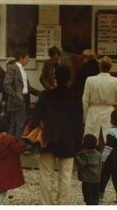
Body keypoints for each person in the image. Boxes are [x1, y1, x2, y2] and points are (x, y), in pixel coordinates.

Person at [31, 65, 84, 205]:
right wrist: (78, 143)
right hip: (68, 140)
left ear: (55, 79)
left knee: (46, 174)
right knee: (65, 175)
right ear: (69, 79)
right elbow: (79, 123)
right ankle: (63, 203)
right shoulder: (76, 97)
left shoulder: (45, 95)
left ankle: (46, 203)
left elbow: (35, 118)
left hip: (47, 139)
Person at [82, 56, 117, 144]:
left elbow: (85, 100)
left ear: (99, 66)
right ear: (110, 67)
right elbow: (116, 96)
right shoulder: (116, 81)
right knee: (108, 139)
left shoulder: (90, 80)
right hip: (108, 111)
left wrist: (84, 118)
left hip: (93, 111)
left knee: (91, 140)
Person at [3, 49, 39, 140]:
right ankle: (17, 145)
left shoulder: (21, 69)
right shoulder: (13, 67)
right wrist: (15, 96)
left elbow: (26, 87)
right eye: (27, 58)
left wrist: (38, 93)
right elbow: (6, 84)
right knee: (20, 125)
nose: (28, 60)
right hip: (18, 99)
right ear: (21, 58)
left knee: (15, 124)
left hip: (23, 98)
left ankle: (10, 145)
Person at [75, 134, 103, 205]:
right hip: (97, 179)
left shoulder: (85, 155)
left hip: (87, 180)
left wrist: (76, 156)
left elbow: (81, 164)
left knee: (88, 197)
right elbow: (101, 165)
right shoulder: (99, 154)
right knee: (95, 197)